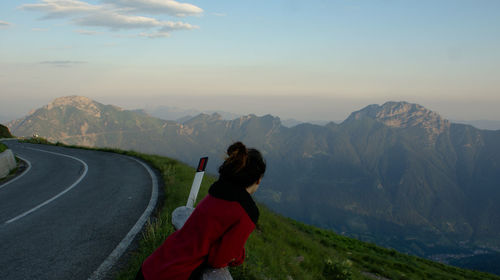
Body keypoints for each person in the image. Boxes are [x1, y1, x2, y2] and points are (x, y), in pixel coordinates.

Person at [137, 142, 266, 280]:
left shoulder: (217, 191)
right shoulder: (247, 213)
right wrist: (239, 256)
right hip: (176, 274)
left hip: (154, 264)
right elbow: (219, 260)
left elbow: (204, 234)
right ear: (258, 180)